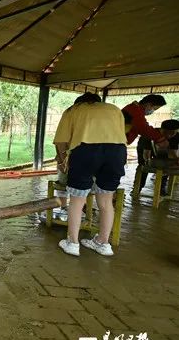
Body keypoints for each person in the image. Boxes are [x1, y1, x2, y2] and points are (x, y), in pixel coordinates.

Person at [53, 94, 126, 257]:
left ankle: (72, 243)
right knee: (107, 201)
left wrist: (63, 162)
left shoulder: (74, 110)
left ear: (80, 102)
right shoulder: (114, 110)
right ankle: (103, 243)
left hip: (86, 151)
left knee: (77, 201)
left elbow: (61, 142)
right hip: (117, 153)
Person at [136, 119, 179, 195]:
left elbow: (172, 153)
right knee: (143, 166)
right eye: (165, 132)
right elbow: (146, 154)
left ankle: (161, 188)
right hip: (145, 150)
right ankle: (138, 187)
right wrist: (148, 163)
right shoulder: (150, 134)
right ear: (161, 129)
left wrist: (175, 162)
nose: (168, 135)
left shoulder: (176, 136)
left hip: (164, 152)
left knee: (165, 165)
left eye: (172, 133)